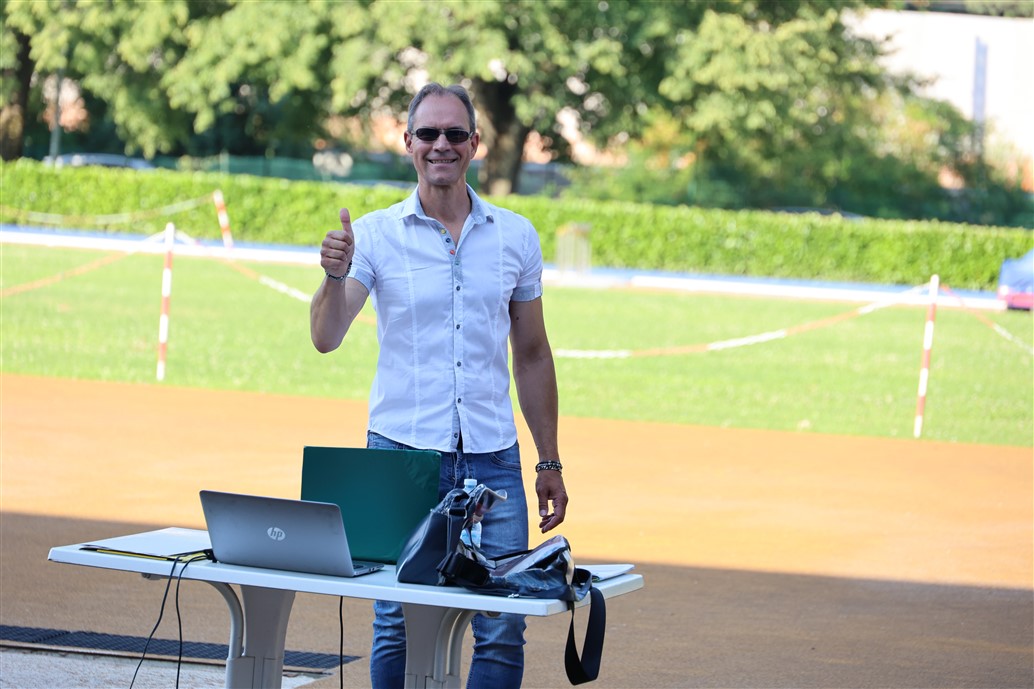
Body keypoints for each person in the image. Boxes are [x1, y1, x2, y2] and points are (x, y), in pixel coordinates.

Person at [309, 82, 569, 689]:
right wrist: (333, 277)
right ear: (408, 142)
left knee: (502, 626)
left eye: (455, 133)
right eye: (428, 133)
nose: (441, 145)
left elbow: (532, 355)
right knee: (397, 622)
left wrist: (549, 460)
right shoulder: (374, 235)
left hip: (493, 461)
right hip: (401, 457)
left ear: (475, 143)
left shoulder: (515, 236)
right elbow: (326, 336)